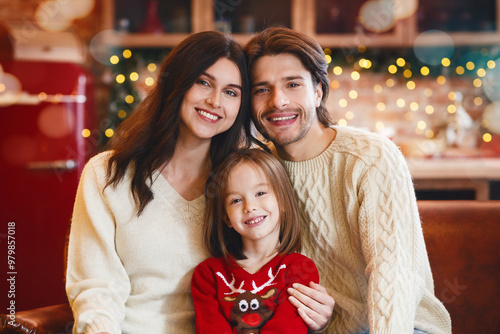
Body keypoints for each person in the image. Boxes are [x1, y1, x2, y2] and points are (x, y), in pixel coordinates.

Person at [244, 27, 452, 334]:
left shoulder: (370, 157)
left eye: (293, 84)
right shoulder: (256, 170)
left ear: (317, 91)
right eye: (262, 89)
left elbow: (392, 270)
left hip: (402, 326)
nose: (278, 101)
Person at [65, 30, 254, 334]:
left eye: (231, 92)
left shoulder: (245, 186)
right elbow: (96, 288)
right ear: (175, 84)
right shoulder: (106, 174)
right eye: (203, 82)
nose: (214, 101)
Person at [191, 148, 319, 334]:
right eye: (235, 200)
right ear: (226, 217)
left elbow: (287, 329)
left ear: (282, 200)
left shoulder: (300, 270)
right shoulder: (209, 274)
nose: (250, 207)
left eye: (260, 193)